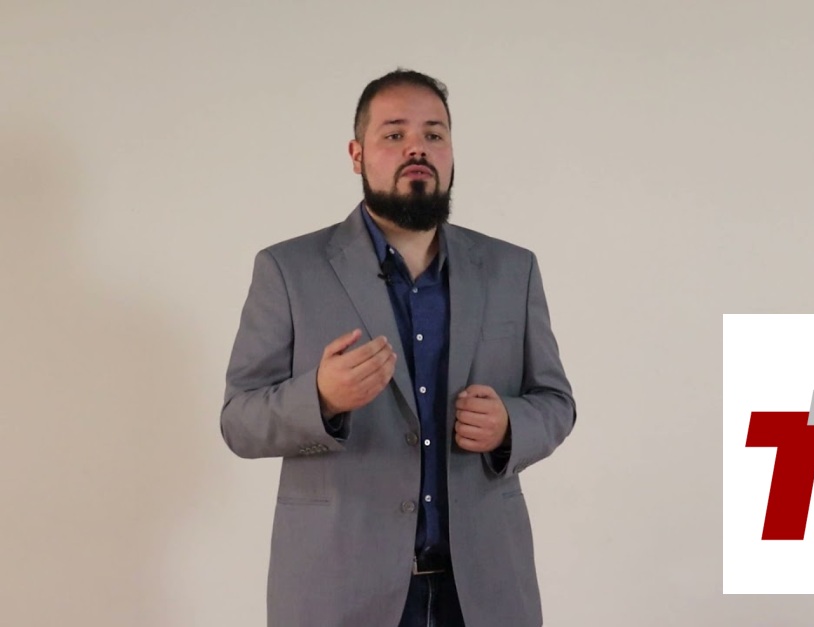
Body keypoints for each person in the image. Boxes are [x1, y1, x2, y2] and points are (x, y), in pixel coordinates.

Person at [220, 68, 576, 627]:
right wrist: (320, 399)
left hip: (484, 593)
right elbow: (239, 421)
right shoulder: (288, 269)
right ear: (357, 154)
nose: (418, 148)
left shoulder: (512, 269)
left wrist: (511, 424)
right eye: (394, 134)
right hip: (338, 591)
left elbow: (556, 402)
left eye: (434, 134)